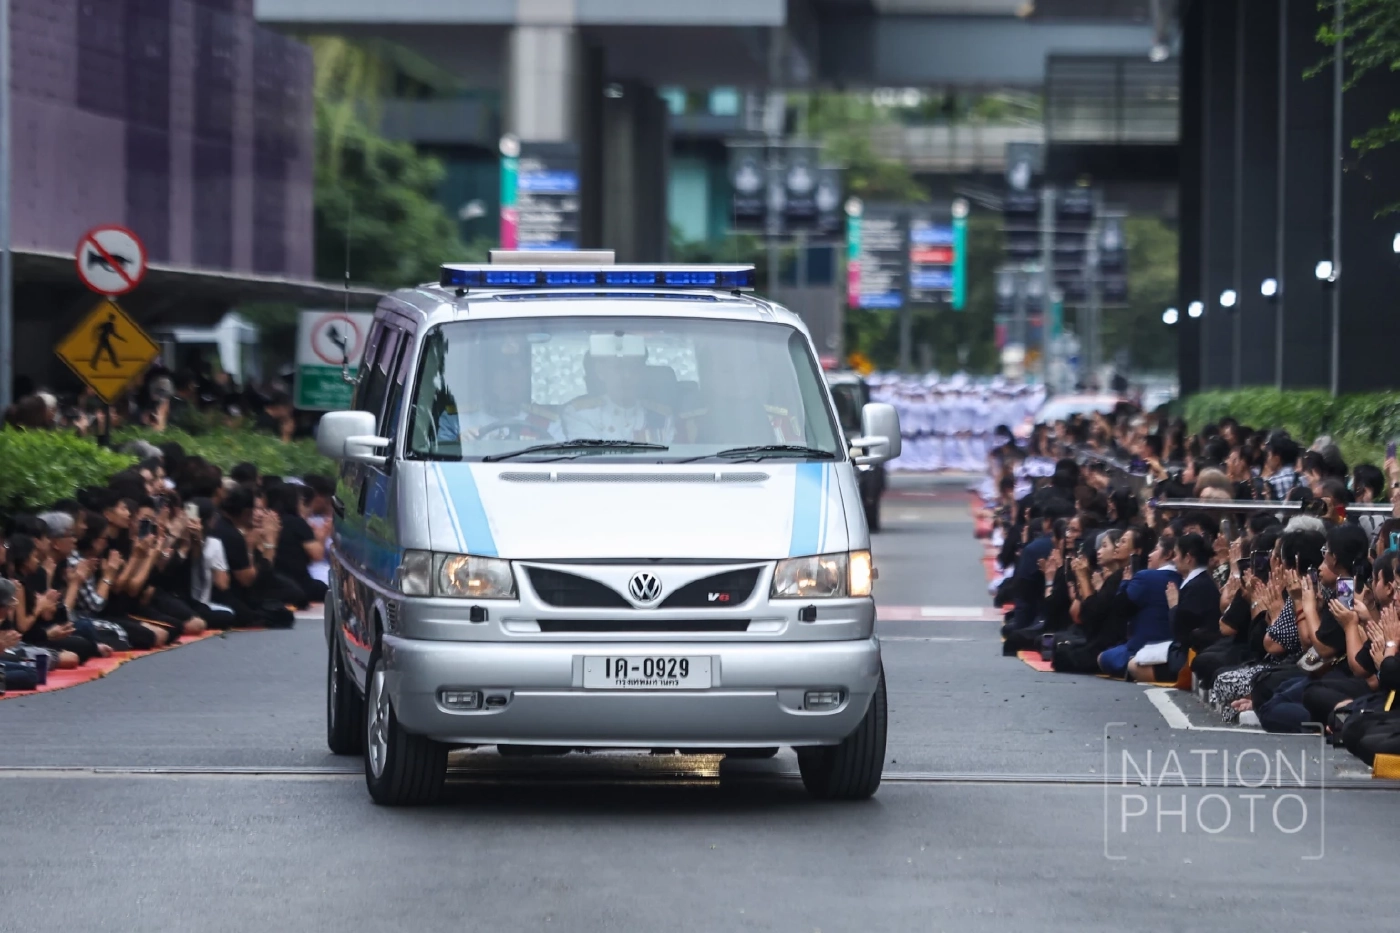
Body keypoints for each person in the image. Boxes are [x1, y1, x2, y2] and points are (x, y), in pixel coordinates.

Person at [438, 338, 562, 444]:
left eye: (517, 369)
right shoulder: (457, 419)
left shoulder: (547, 423)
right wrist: (458, 445)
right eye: (502, 369)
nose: (511, 377)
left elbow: (564, 460)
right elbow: (436, 464)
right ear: (488, 376)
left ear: (526, 376)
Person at [562, 334, 674, 444]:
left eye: (634, 368)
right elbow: (592, 459)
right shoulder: (581, 414)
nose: (627, 375)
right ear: (601, 372)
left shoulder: (661, 416)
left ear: (642, 373)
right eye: (618, 368)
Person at [1099, 533, 1180, 680]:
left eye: (1155, 549)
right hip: (1174, 649)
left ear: (1168, 554)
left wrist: (1125, 583)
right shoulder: (1184, 579)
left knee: (1102, 658)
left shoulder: (1145, 577)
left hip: (1143, 647)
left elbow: (1119, 608)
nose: (1150, 555)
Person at [270, 483, 329, 606]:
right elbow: (317, 555)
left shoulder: (270, 521)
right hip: (298, 581)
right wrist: (322, 536)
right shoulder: (297, 523)